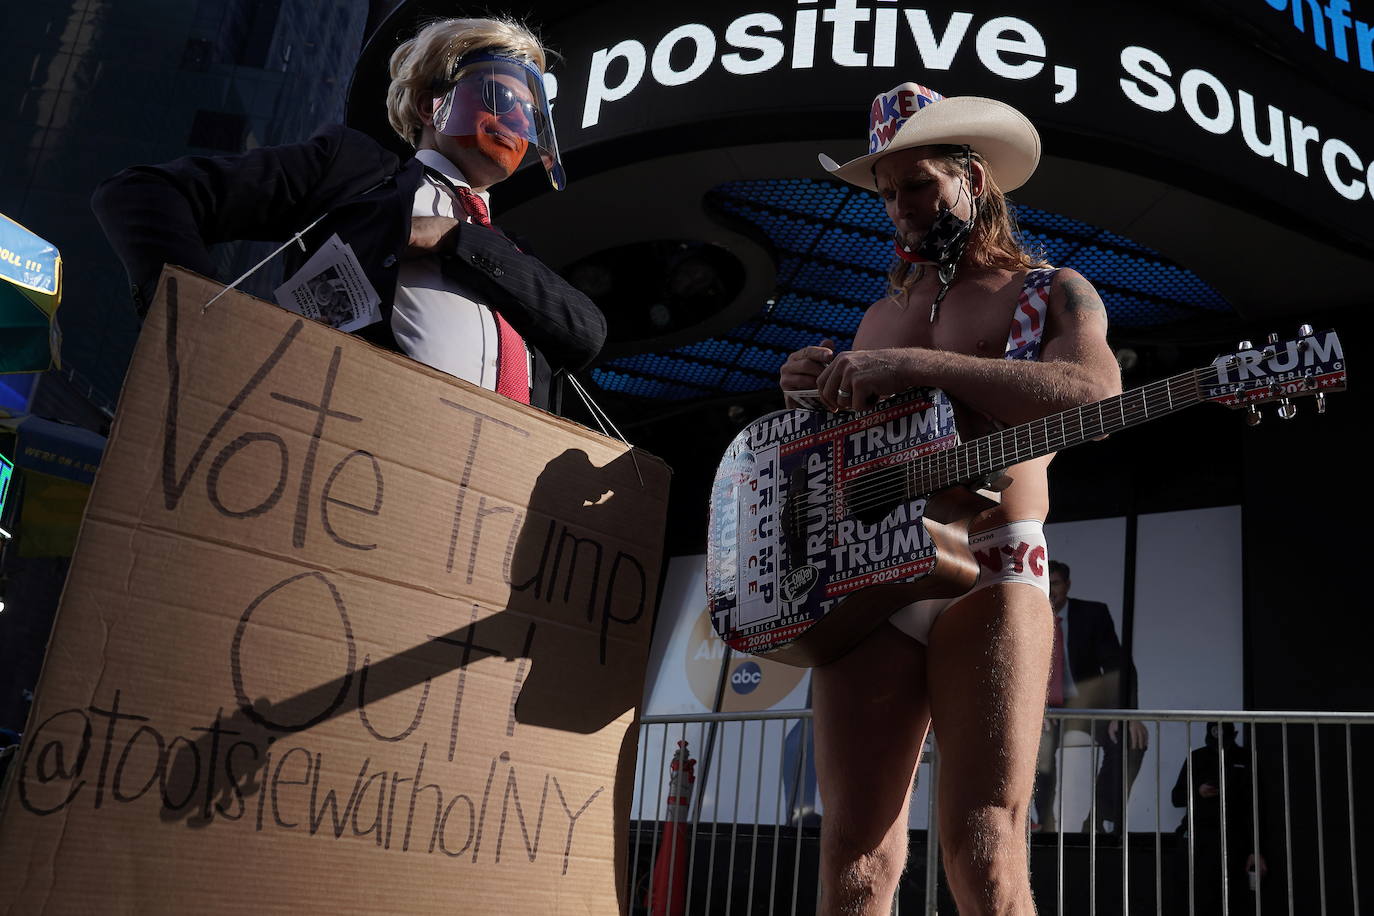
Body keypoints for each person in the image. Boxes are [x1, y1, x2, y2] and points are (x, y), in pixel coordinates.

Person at [779, 83, 1121, 915]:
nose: (899, 207)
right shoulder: (874, 318)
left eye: (919, 185)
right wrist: (811, 396)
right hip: (875, 576)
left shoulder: (1049, 290)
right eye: (888, 193)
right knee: (854, 861)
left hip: (996, 562)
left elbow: (1095, 394)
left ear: (973, 177)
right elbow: (849, 464)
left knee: (986, 853)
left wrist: (921, 367)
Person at [92, 16, 605, 411]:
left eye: (529, 113)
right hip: (351, 473)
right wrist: (208, 334)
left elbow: (585, 332)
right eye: (498, 97)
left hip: (485, 504)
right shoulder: (354, 171)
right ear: (432, 107)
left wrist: (455, 237)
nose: (515, 121)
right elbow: (141, 195)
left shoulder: (512, 252)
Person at [1032, 559, 1148, 835]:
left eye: (1055, 583)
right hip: (1046, 708)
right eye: (1044, 583)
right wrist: (1035, 713)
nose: (1049, 589)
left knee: (1130, 739)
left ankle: (1098, 821)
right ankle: (1044, 824)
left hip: (1088, 704)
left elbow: (1119, 666)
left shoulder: (1092, 614)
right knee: (1036, 745)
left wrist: (1126, 714)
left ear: (1067, 586)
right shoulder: (1027, 616)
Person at [1167, 722, 1267, 914]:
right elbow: (1176, 797)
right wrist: (1197, 791)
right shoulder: (1197, 758)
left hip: (1234, 839)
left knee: (1232, 898)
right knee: (1196, 896)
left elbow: (1256, 804)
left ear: (1234, 735)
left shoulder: (1246, 758)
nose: (1220, 747)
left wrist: (1256, 848)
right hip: (1200, 840)